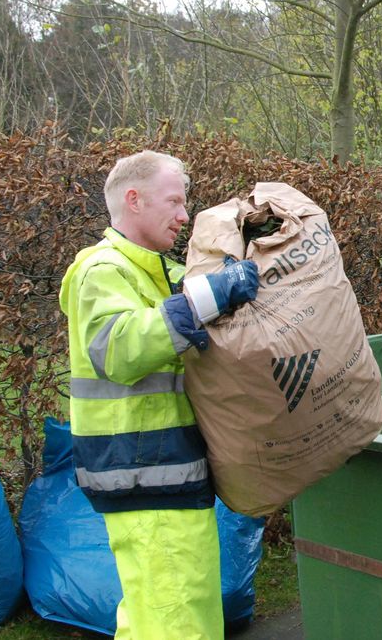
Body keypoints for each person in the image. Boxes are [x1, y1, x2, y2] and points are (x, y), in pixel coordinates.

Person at [59, 150, 259, 639]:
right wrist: (211, 294)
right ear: (134, 200)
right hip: (144, 475)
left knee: (164, 611)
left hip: (164, 472)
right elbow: (119, 348)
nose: (184, 215)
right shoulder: (102, 270)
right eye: (174, 201)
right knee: (175, 620)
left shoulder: (156, 272)